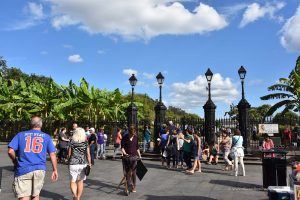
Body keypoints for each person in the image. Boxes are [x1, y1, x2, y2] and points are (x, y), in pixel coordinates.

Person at [8, 116, 58, 200]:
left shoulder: (20, 135)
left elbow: (10, 151)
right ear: (41, 125)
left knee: (24, 196)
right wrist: (55, 170)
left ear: (30, 124)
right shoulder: (46, 137)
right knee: (35, 195)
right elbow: (52, 154)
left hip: (23, 169)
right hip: (39, 169)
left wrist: (14, 161)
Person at [68, 127, 92, 200]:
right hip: (82, 164)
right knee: (80, 181)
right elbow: (88, 155)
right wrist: (89, 163)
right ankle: (78, 198)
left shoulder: (71, 142)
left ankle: (74, 195)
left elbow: (69, 154)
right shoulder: (85, 143)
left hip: (73, 163)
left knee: (72, 181)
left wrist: (69, 161)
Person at [121, 125, 142, 194]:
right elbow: (122, 147)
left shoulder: (135, 137)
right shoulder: (125, 137)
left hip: (134, 157)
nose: (132, 136)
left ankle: (134, 186)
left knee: (134, 172)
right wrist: (125, 153)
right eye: (131, 134)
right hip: (127, 158)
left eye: (133, 134)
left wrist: (139, 155)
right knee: (127, 172)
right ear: (129, 132)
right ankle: (128, 185)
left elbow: (137, 147)